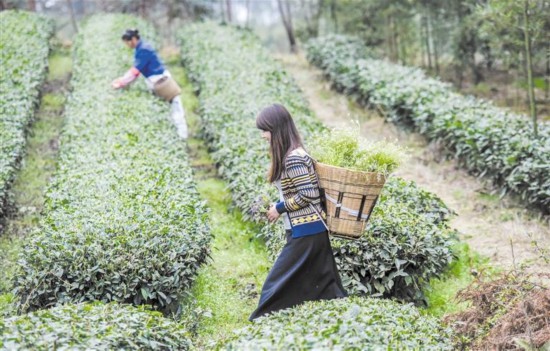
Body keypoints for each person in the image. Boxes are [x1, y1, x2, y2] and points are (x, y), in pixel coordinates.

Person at [250, 103, 347, 321]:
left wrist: (280, 208)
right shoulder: (294, 153)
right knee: (324, 283)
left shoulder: (293, 158)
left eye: (265, 130)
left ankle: (260, 321)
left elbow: (309, 194)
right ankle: (336, 321)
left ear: (276, 129)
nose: (263, 136)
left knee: (276, 283)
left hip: (307, 230)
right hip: (310, 229)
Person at [112, 29, 188, 139]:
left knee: (176, 111)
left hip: (162, 82)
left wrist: (121, 82)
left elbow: (135, 71)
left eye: (127, 42)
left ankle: (182, 137)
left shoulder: (143, 49)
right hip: (159, 81)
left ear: (133, 39)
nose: (127, 45)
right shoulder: (142, 47)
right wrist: (123, 80)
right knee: (171, 110)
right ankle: (178, 137)